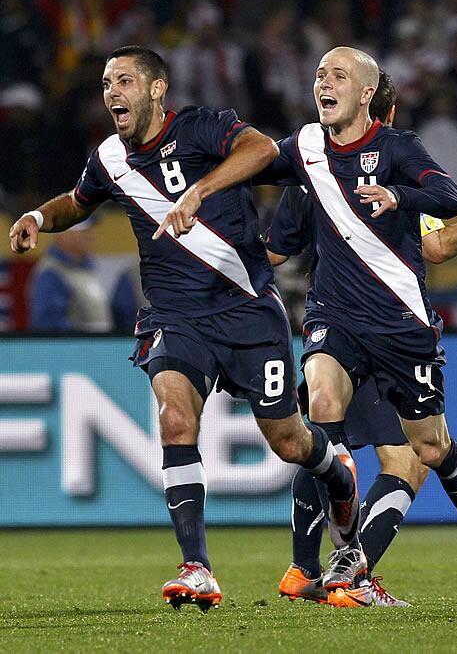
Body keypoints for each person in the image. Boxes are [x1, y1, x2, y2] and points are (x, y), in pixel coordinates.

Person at [9, 45, 364, 612]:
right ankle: (197, 567)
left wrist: (200, 190)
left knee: (290, 441)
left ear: (156, 89)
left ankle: (337, 471)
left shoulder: (202, 128)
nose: (111, 92)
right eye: (106, 82)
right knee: (175, 419)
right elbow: (78, 203)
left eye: (124, 80)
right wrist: (35, 217)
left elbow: (262, 149)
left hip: (245, 308)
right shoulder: (109, 157)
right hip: (174, 314)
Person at [268, 70, 457, 607]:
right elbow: (438, 247)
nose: (324, 83)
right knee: (331, 418)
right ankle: (347, 567)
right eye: (319, 75)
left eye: (337, 76)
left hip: (398, 326)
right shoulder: (308, 158)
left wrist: (399, 196)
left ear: (370, 104)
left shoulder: (394, 153)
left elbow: (443, 197)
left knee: (429, 447)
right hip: (335, 316)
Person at [28, 216, 113, 332]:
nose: (91, 236)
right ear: (63, 235)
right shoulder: (51, 274)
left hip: (98, 348)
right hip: (76, 349)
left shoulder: (85, 269)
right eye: (84, 231)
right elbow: (49, 328)